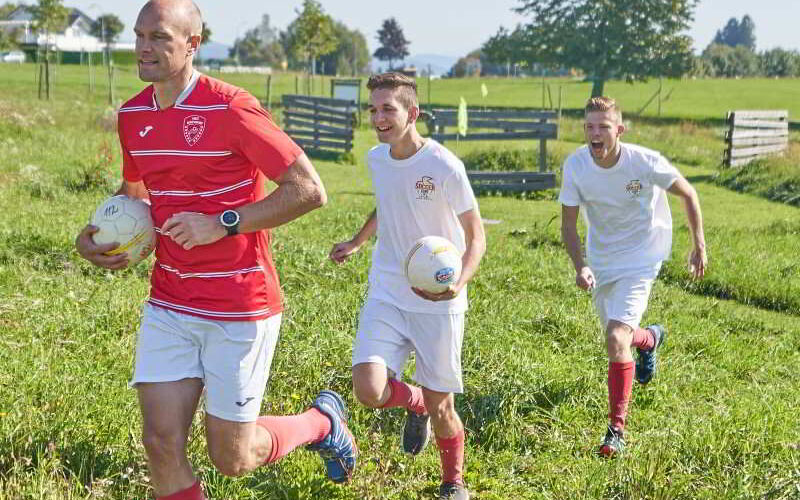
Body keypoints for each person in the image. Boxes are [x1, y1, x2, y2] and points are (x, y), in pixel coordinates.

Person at [74, 1, 356, 498]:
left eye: (159, 37)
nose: (144, 47)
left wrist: (222, 224)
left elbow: (309, 190)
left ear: (192, 44)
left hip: (239, 306)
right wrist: (96, 235)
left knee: (233, 458)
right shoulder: (133, 115)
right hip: (170, 302)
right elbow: (135, 193)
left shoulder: (231, 107)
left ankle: (321, 423)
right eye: (139, 35)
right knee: (160, 444)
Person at [329, 72, 486, 500]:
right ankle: (415, 403)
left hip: (438, 300)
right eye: (373, 109)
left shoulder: (444, 165)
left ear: (412, 113)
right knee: (368, 389)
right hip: (387, 290)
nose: (378, 118)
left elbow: (477, 236)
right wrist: (357, 242)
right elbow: (387, 203)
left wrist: (458, 284)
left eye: (388, 109)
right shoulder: (377, 159)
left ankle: (453, 482)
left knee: (443, 406)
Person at [559, 96, 707, 457]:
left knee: (615, 337)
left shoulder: (644, 161)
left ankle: (617, 430)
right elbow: (568, 225)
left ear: (619, 130)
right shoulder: (576, 165)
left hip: (643, 256)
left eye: (603, 127)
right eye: (589, 127)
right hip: (603, 259)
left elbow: (688, 193)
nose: (595, 134)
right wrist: (581, 265)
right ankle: (650, 339)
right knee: (620, 338)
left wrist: (698, 245)